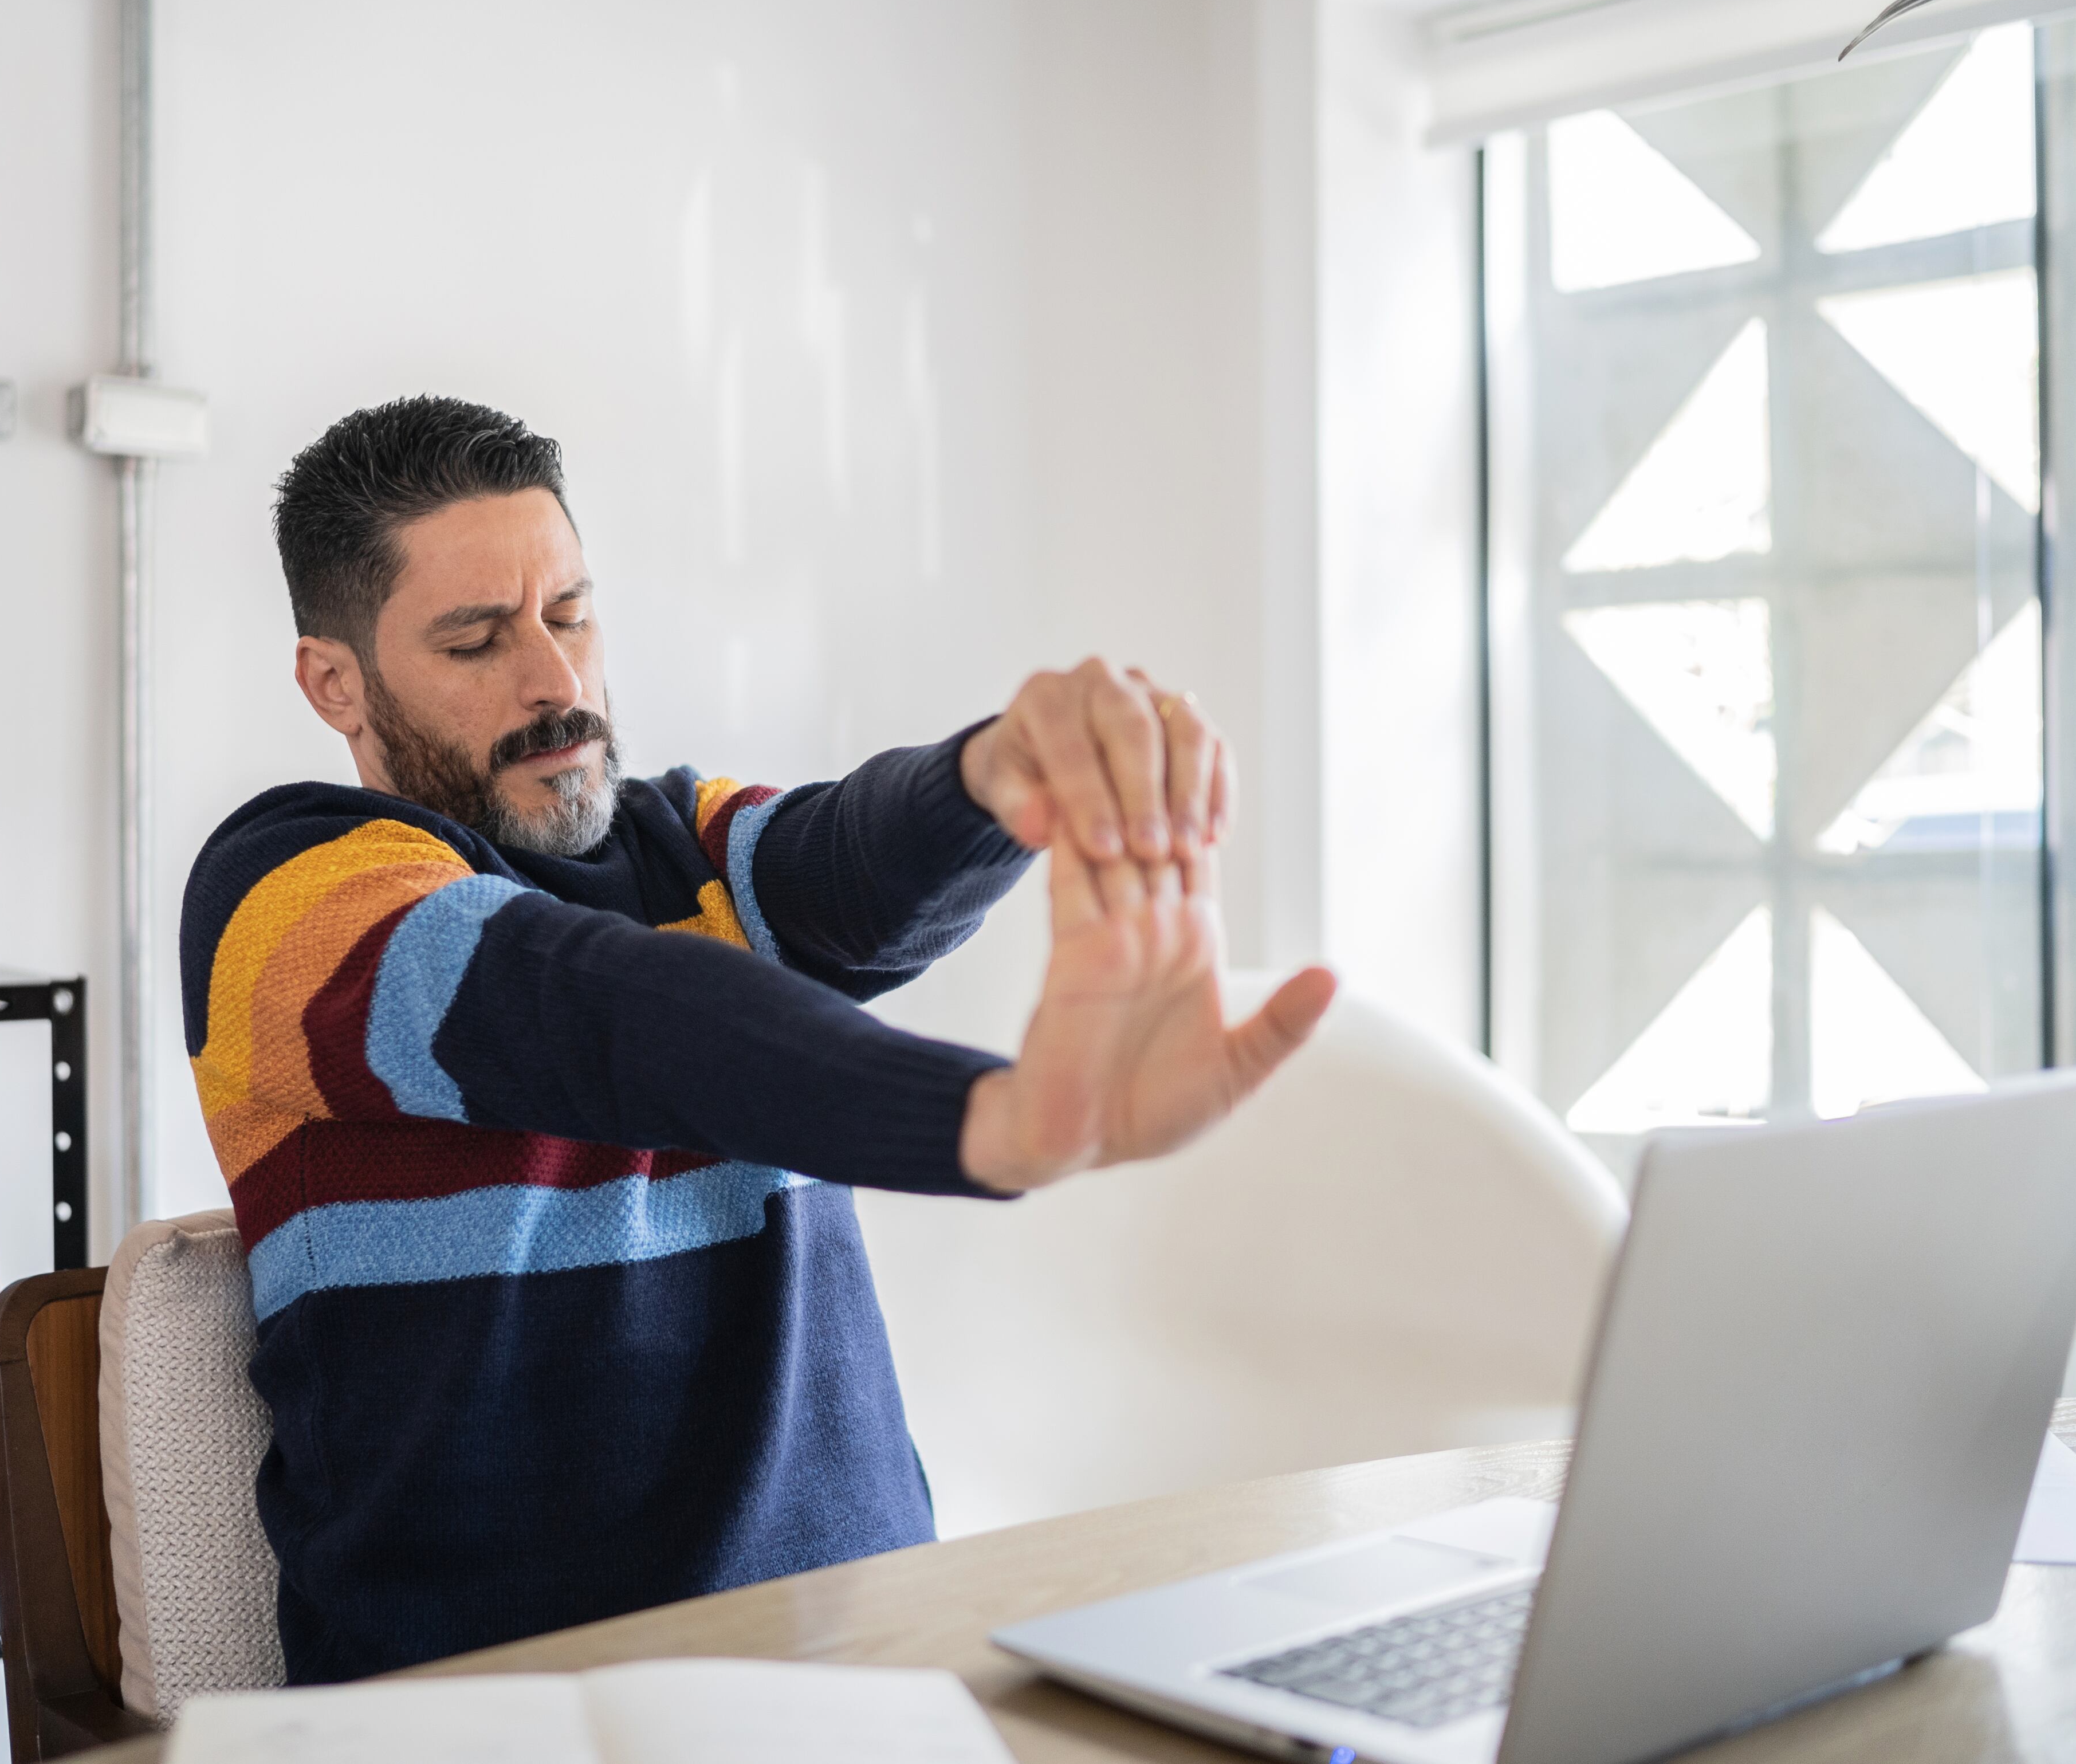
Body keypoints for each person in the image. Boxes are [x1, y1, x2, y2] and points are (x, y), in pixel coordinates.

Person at [180, 393, 1335, 1683]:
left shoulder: (683, 839)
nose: (557, 683)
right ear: (334, 681)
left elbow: (850, 859)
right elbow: (598, 1006)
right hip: (514, 1707)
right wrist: (987, 1120)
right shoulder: (284, 892)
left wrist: (1004, 773)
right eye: (476, 640)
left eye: (570, 613)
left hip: (885, 1666)